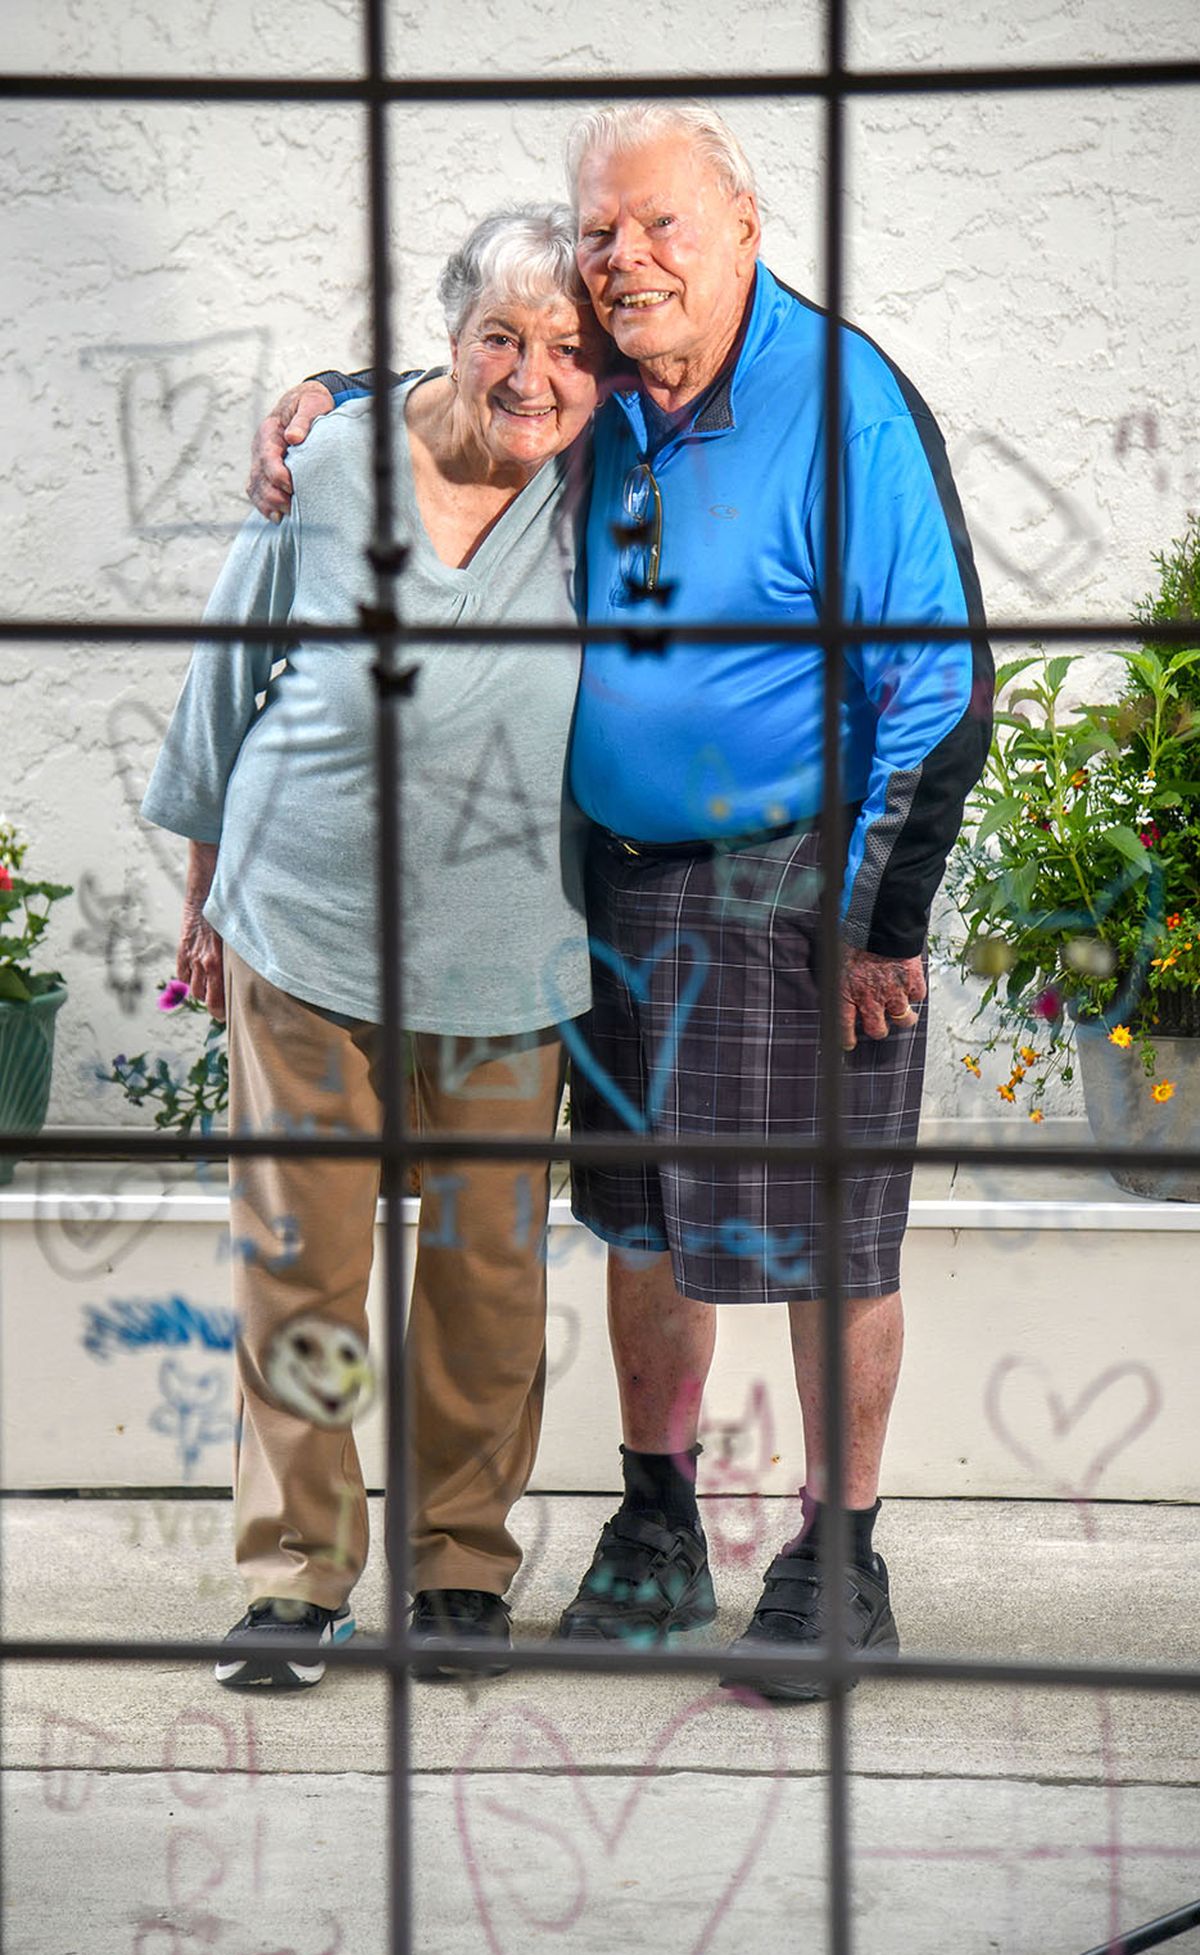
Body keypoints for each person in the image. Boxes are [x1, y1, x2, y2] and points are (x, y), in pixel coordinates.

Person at [251, 103, 992, 1704]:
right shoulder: (613, 386)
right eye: (602, 231)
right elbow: (488, 373)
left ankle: (838, 1550)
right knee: (639, 1224)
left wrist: (885, 915)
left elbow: (941, 678)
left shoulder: (845, 398)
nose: (623, 259)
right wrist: (337, 392)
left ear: (743, 226)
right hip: (613, 885)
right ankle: (659, 1524)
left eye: (659, 226)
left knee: (828, 1231)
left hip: (802, 884)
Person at [143, 206, 608, 1691]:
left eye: (565, 349)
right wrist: (204, 891)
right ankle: (296, 1574)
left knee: (485, 1277)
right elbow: (228, 683)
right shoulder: (334, 459)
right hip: (303, 920)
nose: (531, 376)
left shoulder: (603, 484)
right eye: (500, 340)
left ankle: (459, 1567)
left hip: (506, 950)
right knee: (303, 1265)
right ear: (449, 336)